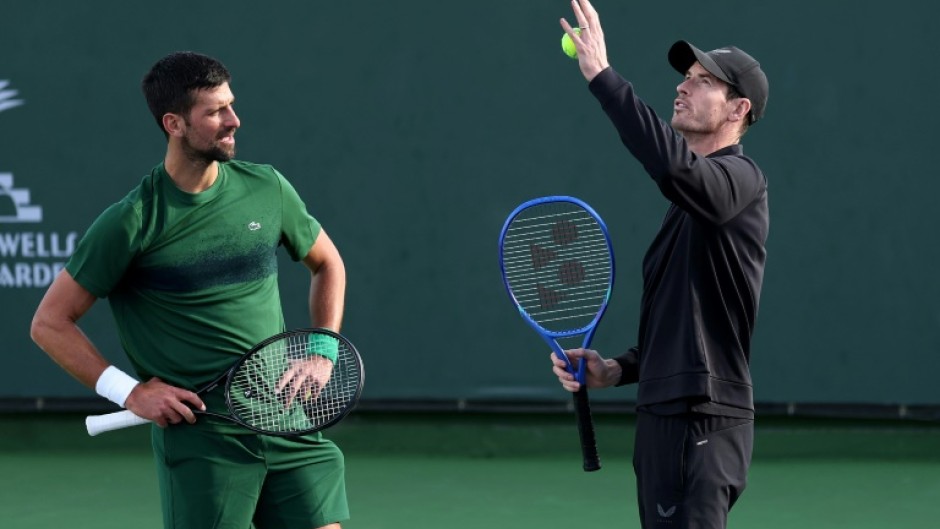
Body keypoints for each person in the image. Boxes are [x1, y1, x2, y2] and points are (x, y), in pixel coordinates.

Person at [30, 51, 349, 529]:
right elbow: (49, 323)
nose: (233, 120)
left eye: (231, 105)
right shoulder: (131, 221)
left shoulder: (269, 188)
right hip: (204, 442)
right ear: (174, 123)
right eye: (215, 111)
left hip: (289, 423)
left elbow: (328, 263)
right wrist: (131, 392)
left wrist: (323, 347)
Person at [553, 1, 770, 528]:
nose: (683, 87)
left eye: (702, 82)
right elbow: (682, 329)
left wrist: (603, 77)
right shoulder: (688, 203)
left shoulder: (740, 182)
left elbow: (673, 167)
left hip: (703, 417)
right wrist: (618, 369)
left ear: (738, 110)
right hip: (662, 415)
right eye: (685, 77)